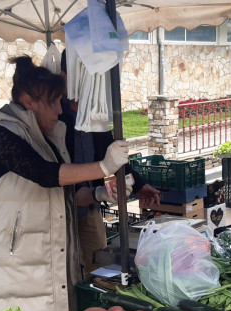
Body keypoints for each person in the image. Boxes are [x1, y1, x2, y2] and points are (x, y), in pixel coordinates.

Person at [0, 56, 130, 311]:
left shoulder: (47, 138)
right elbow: (44, 174)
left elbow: (64, 195)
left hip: (48, 270)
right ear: (28, 100)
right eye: (54, 102)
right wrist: (104, 166)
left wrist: (100, 194)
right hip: (11, 275)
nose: (60, 110)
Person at [58, 50, 161, 277]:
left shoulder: (95, 114)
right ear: (66, 76)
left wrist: (140, 184)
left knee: (100, 271)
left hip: (90, 209)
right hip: (58, 212)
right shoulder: (54, 114)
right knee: (66, 274)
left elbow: (113, 157)